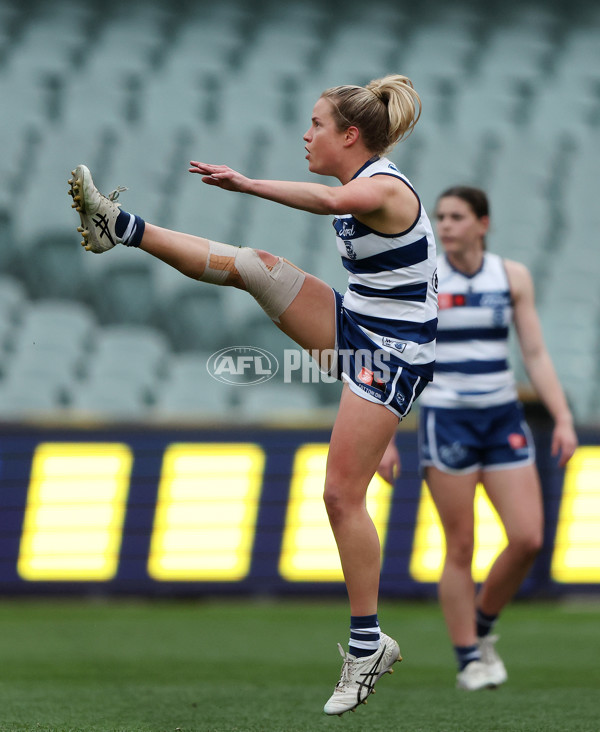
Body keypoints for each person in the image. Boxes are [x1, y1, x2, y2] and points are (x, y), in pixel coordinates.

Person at [67, 74, 438, 715]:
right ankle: (118, 227)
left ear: (350, 135)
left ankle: (367, 645)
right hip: (359, 325)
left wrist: (247, 183)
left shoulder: (383, 187)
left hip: (393, 353)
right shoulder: (366, 182)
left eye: (317, 124)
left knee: (338, 494)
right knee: (252, 266)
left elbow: (331, 204)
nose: (306, 133)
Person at [378, 185, 578, 690]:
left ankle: (483, 624)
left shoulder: (511, 277)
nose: (445, 225)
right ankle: (468, 657)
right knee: (460, 544)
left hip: (503, 418)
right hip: (447, 419)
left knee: (529, 537)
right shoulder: (425, 276)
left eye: (457, 217)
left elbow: (533, 351)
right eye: (440, 217)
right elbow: (393, 352)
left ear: (482, 224)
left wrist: (563, 417)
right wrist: (383, 436)